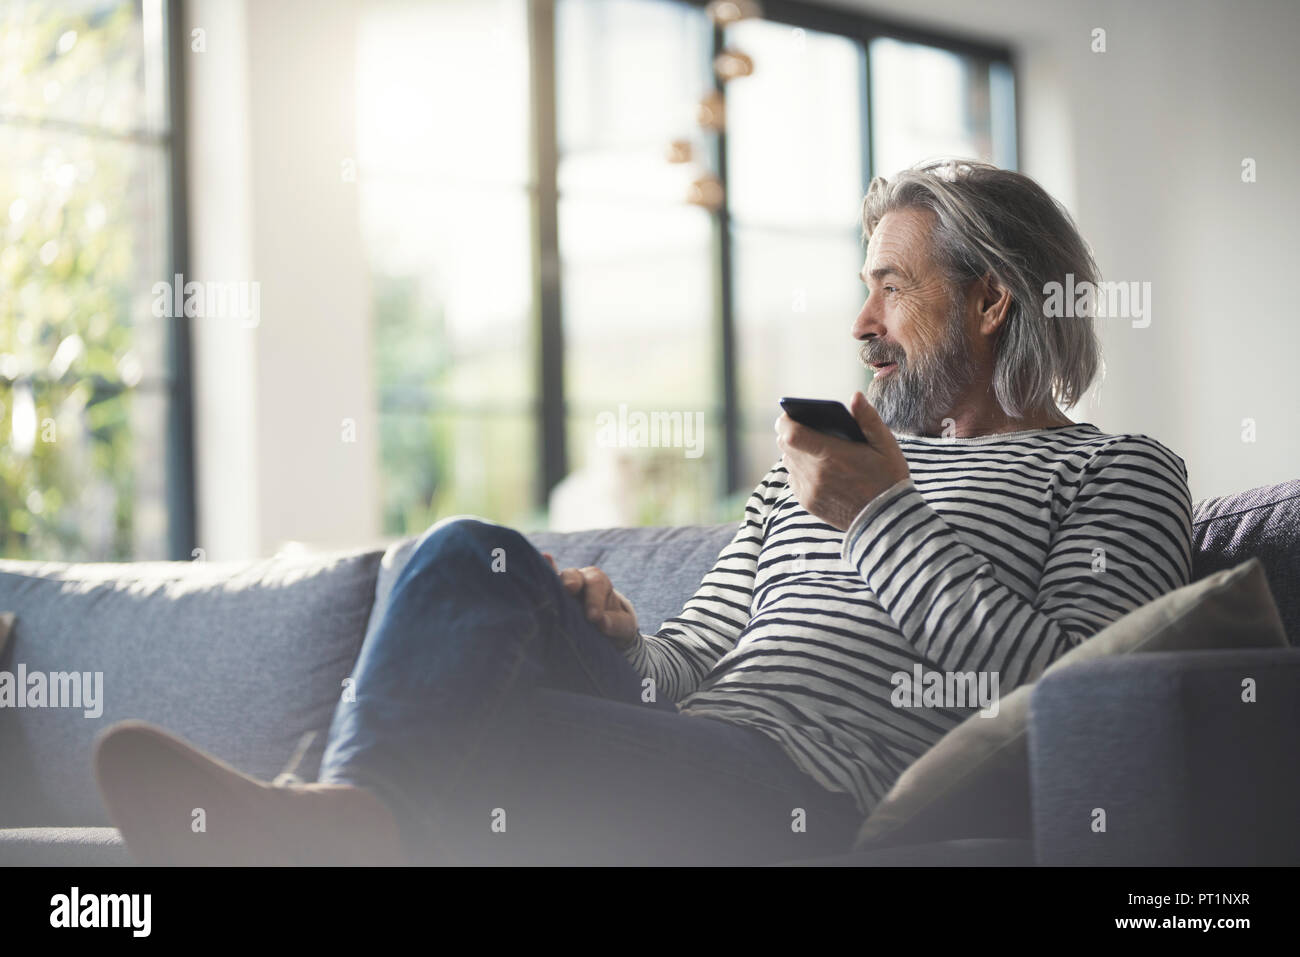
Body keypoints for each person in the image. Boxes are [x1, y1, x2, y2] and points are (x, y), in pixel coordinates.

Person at [94, 160, 1192, 866]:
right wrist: (627, 647)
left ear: (993, 300)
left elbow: (1079, 702)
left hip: (801, 793)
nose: (860, 319)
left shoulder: (1118, 472)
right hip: (684, 741)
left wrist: (877, 520)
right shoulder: (826, 467)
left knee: (473, 743)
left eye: (891, 286)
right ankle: (344, 821)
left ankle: (333, 826)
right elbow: (694, 660)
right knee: (469, 554)